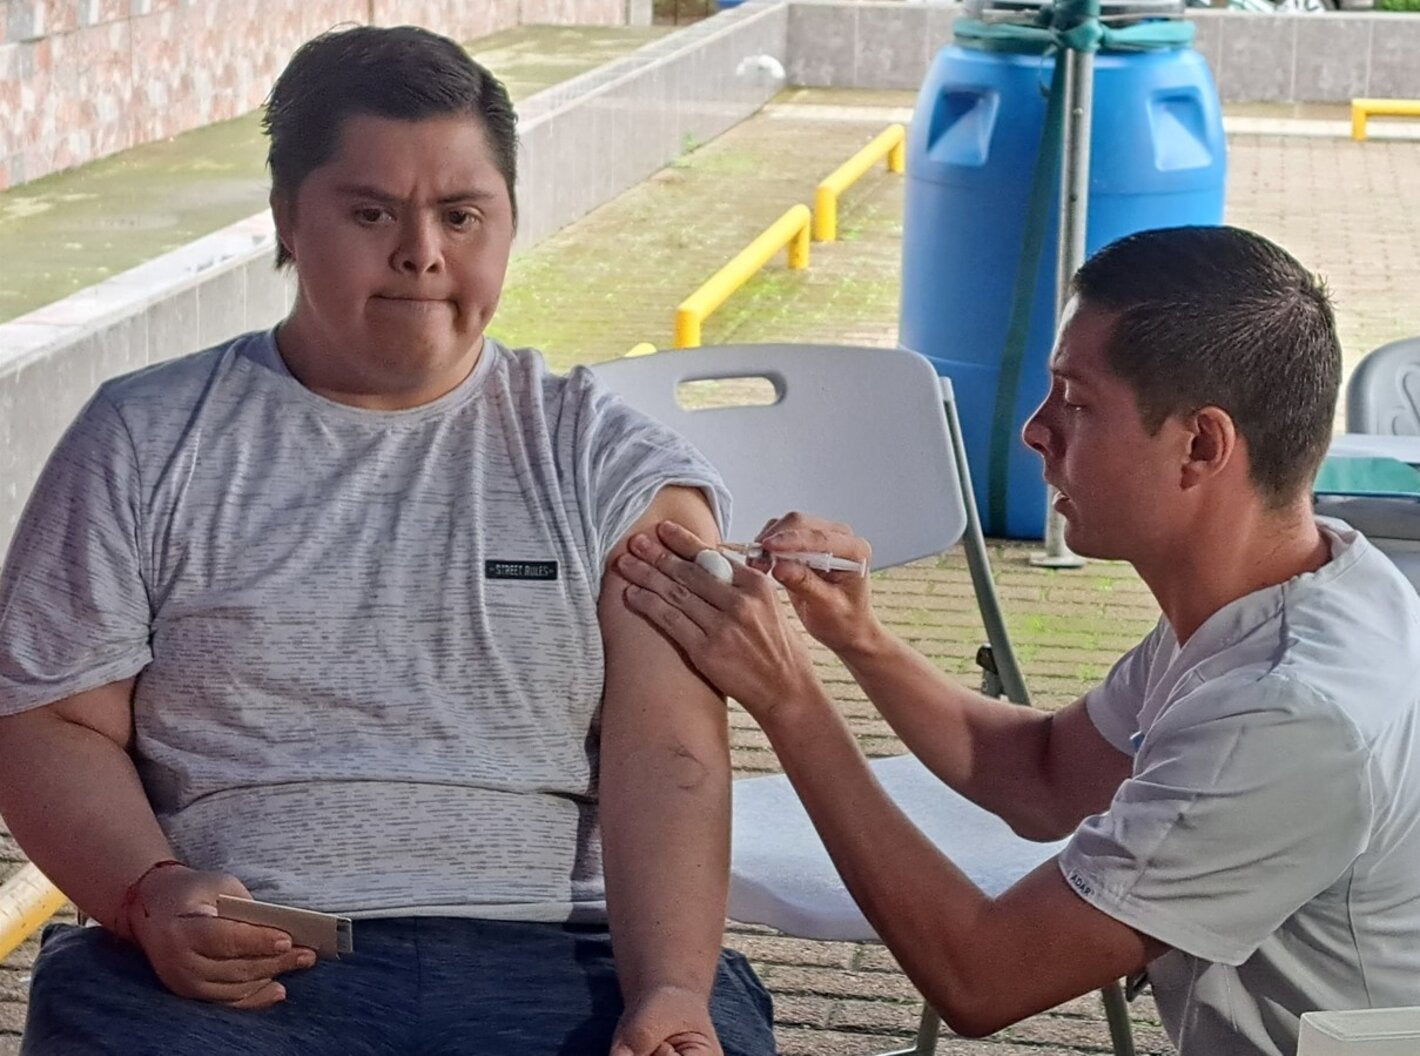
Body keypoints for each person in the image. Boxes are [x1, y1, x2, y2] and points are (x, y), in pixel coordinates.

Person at [0, 25, 775, 1056]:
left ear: (505, 221)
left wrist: (669, 990)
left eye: (462, 214)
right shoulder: (142, 436)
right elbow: (51, 722)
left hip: (564, 957)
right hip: (241, 960)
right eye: (371, 212)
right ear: (286, 220)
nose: (422, 252)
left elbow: (670, 753)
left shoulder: (614, 466)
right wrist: (147, 893)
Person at [616, 225, 1420, 1056]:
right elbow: (1042, 780)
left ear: (1201, 446)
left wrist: (789, 698)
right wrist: (859, 638)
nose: (1036, 431)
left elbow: (983, 976)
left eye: (1076, 403)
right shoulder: (1295, 588)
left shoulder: (1285, 712)